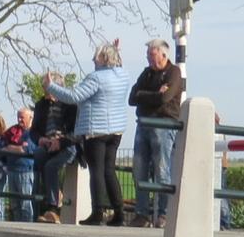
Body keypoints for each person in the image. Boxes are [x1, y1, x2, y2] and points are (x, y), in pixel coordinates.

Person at [44, 43, 131, 226]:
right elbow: (118, 66)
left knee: (97, 171)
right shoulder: (122, 76)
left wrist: (51, 87)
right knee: (109, 171)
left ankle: (98, 212)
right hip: (116, 130)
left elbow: (74, 96)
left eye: (96, 56)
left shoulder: (96, 78)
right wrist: (116, 52)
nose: (93, 59)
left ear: (104, 59)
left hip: (95, 130)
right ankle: (119, 213)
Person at [126, 38, 184, 227]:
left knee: (162, 169)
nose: (149, 59)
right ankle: (142, 214)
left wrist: (146, 95)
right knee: (139, 169)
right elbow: (132, 98)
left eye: (152, 55)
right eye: (148, 56)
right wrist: (153, 95)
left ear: (163, 55)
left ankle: (164, 215)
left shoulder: (174, 72)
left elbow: (165, 98)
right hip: (143, 124)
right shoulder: (147, 73)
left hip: (164, 125)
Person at [29, 88, 79, 222]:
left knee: (51, 166)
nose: (46, 92)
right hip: (49, 144)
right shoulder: (41, 105)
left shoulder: (71, 104)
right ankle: (54, 197)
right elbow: (33, 131)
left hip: (68, 145)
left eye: (48, 88)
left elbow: (77, 132)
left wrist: (60, 142)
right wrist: (40, 139)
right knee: (38, 156)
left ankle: (53, 208)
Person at [3, 107, 36, 221]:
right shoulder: (12, 131)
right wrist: (14, 148)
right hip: (11, 170)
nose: (19, 120)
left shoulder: (33, 133)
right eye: (18, 117)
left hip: (25, 171)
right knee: (14, 204)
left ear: (30, 118)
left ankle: (28, 229)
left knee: (25, 204)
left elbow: (25, 150)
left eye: (22, 117)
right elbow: (3, 146)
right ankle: (17, 227)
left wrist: (9, 148)